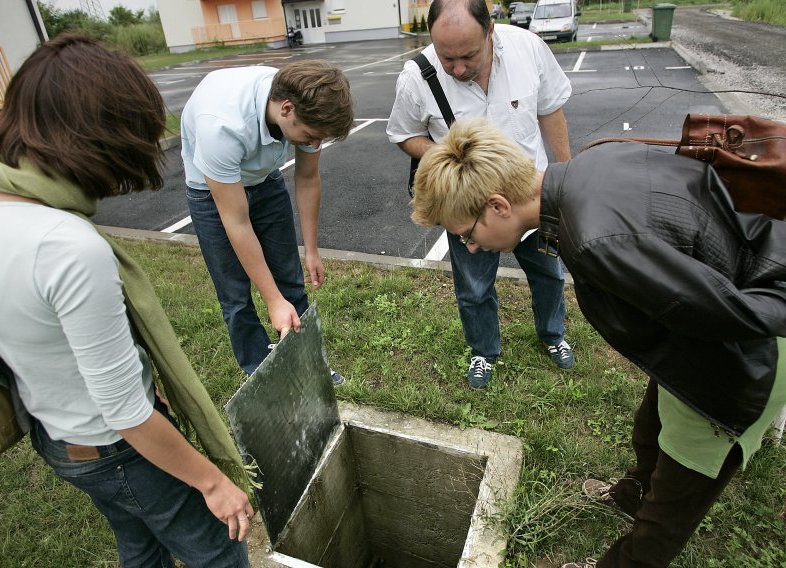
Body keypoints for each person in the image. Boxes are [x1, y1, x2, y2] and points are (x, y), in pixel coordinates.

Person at [410, 118, 786, 568]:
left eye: (468, 234)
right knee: (651, 428)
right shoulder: (589, 163)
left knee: (673, 503)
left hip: (744, 361)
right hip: (712, 320)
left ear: (497, 205)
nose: (470, 247)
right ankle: (630, 495)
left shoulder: (593, 240)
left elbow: (737, 316)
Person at [0, 35, 255, 567]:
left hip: (57, 437)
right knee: (220, 554)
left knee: (141, 546)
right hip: (118, 448)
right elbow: (126, 411)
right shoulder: (66, 248)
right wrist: (213, 481)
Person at [387, 0, 575, 390]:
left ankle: (553, 335)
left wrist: (566, 177)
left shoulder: (528, 48)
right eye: (446, 57)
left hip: (528, 200)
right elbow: (404, 134)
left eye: (468, 56)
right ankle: (483, 351)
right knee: (473, 286)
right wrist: (457, 163)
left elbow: (551, 110)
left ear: (491, 31)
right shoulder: (416, 75)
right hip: (467, 211)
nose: (456, 68)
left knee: (549, 273)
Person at [182, 60, 354, 385]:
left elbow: (307, 178)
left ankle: (309, 365)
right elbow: (237, 222)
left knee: (291, 279)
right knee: (235, 295)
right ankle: (263, 376)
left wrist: (312, 250)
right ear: (286, 109)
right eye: (311, 136)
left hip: (263, 177)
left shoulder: (306, 107)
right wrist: (273, 301)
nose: (314, 144)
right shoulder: (222, 127)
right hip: (210, 192)